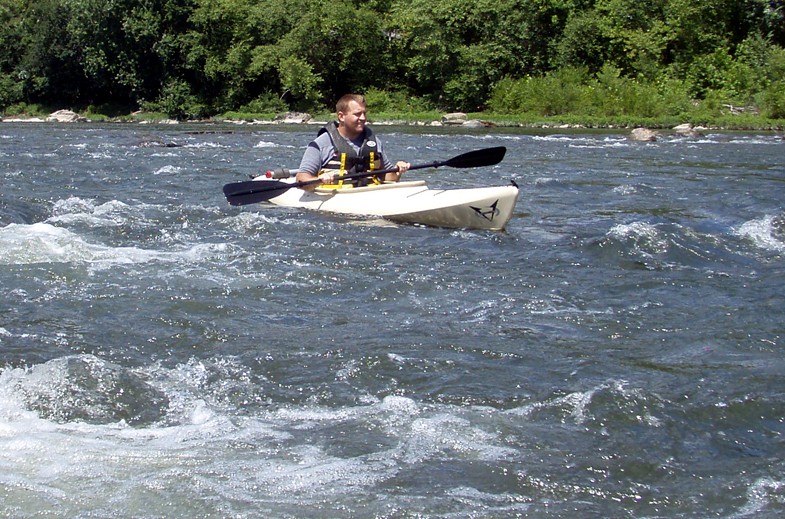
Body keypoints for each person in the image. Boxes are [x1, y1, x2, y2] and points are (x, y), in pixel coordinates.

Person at [296, 94, 410, 190]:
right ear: (341, 116)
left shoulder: (373, 141)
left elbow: (388, 177)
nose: (363, 118)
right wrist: (319, 180)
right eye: (357, 114)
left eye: (364, 113)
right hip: (336, 197)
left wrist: (398, 170)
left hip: (369, 194)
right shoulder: (322, 143)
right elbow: (301, 179)